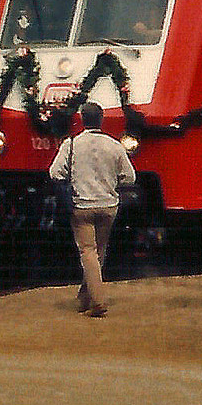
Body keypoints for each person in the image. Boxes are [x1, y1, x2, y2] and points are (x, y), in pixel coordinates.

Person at [47, 101, 135, 317]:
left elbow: (54, 172)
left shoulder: (72, 144)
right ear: (101, 119)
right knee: (100, 251)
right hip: (109, 205)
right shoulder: (114, 145)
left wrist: (73, 181)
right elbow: (130, 177)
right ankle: (84, 298)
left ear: (81, 119)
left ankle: (97, 301)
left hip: (82, 206)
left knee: (88, 251)